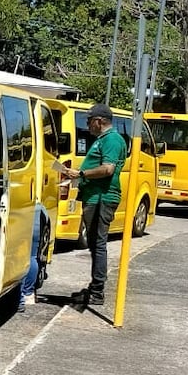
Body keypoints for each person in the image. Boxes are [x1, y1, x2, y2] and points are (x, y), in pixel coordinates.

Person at [62, 103, 126, 307]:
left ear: (99, 121)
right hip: (93, 196)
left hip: (102, 198)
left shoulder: (113, 140)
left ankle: (97, 291)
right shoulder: (103, 140)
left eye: (89, 121)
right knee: (93, 243)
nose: (88, 125)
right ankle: (94, 287)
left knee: (98, 243)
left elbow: (108, 169)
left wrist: (81, 174)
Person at [18, 202, 47, 313]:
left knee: (21, 258)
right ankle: (28, 293)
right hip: (38, 213)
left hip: (24, 212)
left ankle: (21, 297)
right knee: (33, 256)